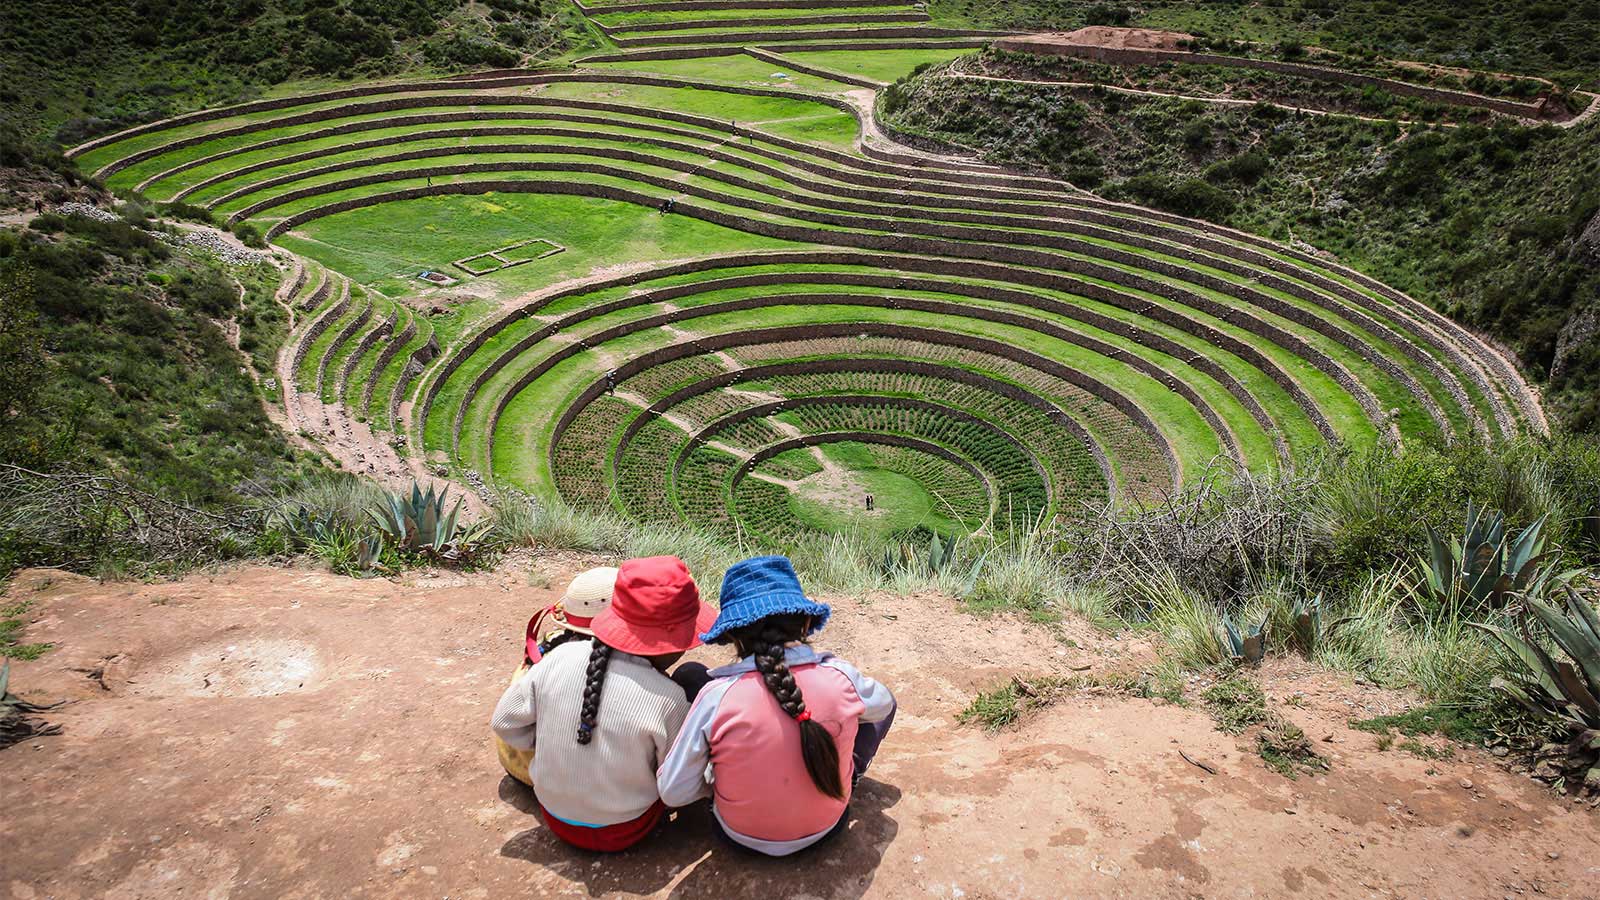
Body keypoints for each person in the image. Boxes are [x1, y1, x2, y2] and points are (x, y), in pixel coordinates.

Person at [657, 555, 896, 856]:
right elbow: (884, 705)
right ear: (806, 622)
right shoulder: (840, 676)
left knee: (692, 675)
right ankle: (847, 776)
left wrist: (718, 782)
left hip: (738, 835)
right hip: (827, 828)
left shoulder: (716, 697)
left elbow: (673, 791)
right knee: (872, 707)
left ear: (731, 633)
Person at [491, 556, 717, 852]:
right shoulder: (669, 698)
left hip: (556, 817)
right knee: (694, 676)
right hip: (628, 828)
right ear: (669, 643)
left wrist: (555, 742)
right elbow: (676, 786)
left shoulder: (557, 658)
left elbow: (503, 723)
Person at [494, 567, 618, 786]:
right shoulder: (603, 666)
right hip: (549, 774)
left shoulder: (552, 643)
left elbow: (504, 721)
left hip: (514, 760)